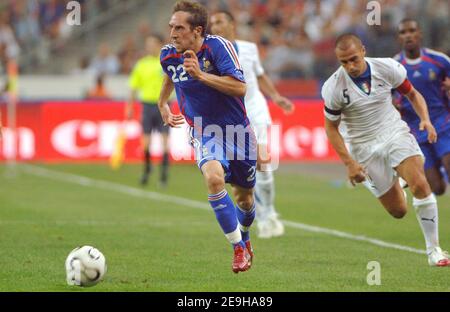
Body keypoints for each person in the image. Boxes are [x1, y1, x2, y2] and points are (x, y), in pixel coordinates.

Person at [322, 33, 449, 266]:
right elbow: (331, 128)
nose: (350, 66)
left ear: (363, 50)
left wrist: (425, 119)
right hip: (363, 147)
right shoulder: (333, 87)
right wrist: (350, 163)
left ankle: (434, 251)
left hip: (393, 132)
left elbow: (412, 93)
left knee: (421, 184)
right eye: (344, 62)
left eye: (353, 59)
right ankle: (398, 183)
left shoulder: (388, 67)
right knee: (398, 211)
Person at [159, 1, 256, 273]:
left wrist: (201, 75)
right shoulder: (168, 54)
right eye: (171, 27)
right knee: (213, 179)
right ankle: (237, 248)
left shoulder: (218, 48)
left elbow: (239, 88)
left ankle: (245, 236)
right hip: (204, 130)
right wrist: (162, 104)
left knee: (245, 199)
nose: (173, 33)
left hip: (238, 132)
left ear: (197, 30)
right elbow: (170, 76)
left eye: (179, 28)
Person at [210, 11, 294, 239]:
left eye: (219, 22)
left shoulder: (249, 48)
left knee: (264, 162)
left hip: (255, 110)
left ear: (232, 24)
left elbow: (260, 75)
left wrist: (276, 97)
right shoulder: (209, 52)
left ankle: (269, 214)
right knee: (243, 176)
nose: (214, 26)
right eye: (212, 23)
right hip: (231, 117)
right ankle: (258, 212)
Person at [394, 18, 450, 196]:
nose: (408, 35)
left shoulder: (439, 60)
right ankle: (438, 168)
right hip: (416, 132)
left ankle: (443, 162)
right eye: (403, 32)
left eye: (411, 31)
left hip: (443, 124)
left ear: (420, 34)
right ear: (399, 37)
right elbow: (385, 97)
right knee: (438, 189)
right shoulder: (393, 67)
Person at [127, 35, 170, 187]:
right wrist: (130, 106)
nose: (149, 47)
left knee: (165, 142)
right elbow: (134, 86)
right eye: (148, 44)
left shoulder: (165, 62)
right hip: (147, 106)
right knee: (146, 143)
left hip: (163, 106)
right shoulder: (141, 64)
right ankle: (146, 170)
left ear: (159, 45)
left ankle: (163, 175)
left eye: (152, 44)